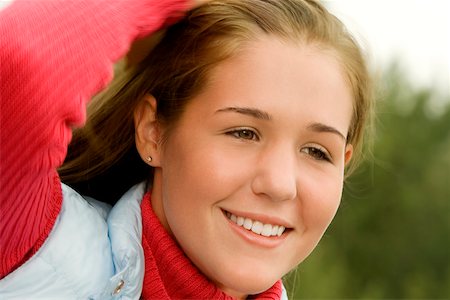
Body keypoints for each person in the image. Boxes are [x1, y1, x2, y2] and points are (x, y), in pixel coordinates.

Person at [0, 0, 373, 299]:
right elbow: (24, 57)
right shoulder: (31, 242)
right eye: (244, 132)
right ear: (153, 132)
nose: (279, 184)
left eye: (316, 152)